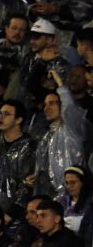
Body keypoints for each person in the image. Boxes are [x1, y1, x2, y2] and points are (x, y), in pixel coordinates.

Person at [32, 70, 87, 199]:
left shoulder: (72, 128)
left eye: (52, 103)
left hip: (71, 196)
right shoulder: (46, 135)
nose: (46, 108)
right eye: (45, 104)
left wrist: (60, 83)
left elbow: (70, 108)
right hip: (48, 196)